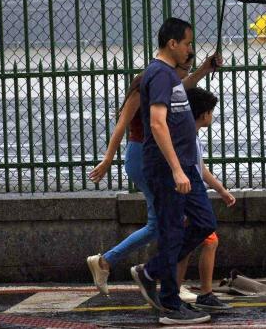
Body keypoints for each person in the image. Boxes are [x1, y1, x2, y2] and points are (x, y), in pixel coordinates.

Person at [86, 49, 220, 296]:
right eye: (184, 70)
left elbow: (183, 85)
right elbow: (121, 124)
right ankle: (159, 279)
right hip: (142, 156)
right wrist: (107, 160)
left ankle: (139, 271)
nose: (183, 77)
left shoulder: (166, 81)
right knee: (167, 222)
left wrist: (203, 70)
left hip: (152, 157)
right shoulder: (144, 85)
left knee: (164, 223)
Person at [130, 17, 217, 325]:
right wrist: (177, 170)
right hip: (170, 169)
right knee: (172, 231)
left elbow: (180, 91)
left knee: (205, 221)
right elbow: (156, 123)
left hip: (184, 167)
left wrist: (205, 69)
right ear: (172, 44)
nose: (189, 49)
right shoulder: (157, 74)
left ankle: (151, 271)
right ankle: (169, 303)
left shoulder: (168, 76)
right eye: (188, 43)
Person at [176, 87, 235, 311]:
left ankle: (178, 292)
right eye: (211, 111)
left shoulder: (191, 136)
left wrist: (221, 190)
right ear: (204, 114)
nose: (212, 116)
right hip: (190, 199)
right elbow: (196, 170)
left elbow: (200, 169)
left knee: (192, 244)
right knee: (201, 242)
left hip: (191, 197)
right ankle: (202, 293)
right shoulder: (190, 139)